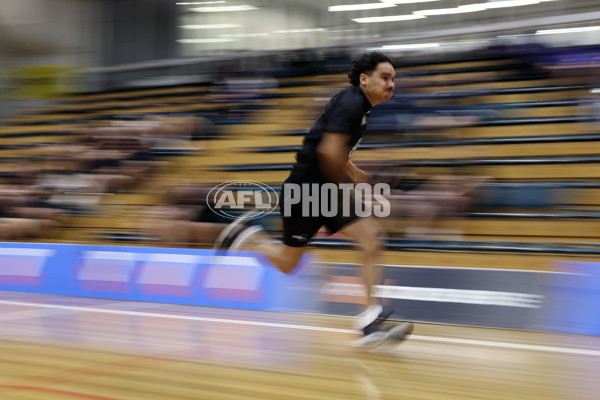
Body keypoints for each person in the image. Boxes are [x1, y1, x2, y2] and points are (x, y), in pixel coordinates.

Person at [215, 52, 413, 347]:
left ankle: (370, 322)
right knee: (287, 262)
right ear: (364, 79)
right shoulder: (352, 103)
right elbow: (328, 152)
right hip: (308, 190)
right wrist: (347, 187)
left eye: (393, 79)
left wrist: (356, 174)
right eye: (385, 77)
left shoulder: (359, 107)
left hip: (321, 189)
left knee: (373, 240)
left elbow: (333, 149)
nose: (391, 84)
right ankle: (248, 237)